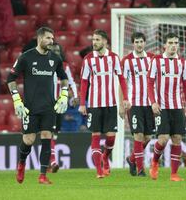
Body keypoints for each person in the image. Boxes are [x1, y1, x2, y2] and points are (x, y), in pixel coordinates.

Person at [7, 27, 68, 185]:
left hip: (49, 107)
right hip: (30, 108)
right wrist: (16, 100)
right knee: (29, 139)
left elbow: (64, 78)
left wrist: (64, 95)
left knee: (47, 137)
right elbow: (10, 78)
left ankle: (42, 175)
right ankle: (21, 163)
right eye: (48, 38)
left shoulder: (55, 58)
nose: (51, 41)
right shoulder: (26, 57)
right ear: (40, 38)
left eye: (52, 38)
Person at [79, 29, 131, 178]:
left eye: (97, 40)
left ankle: (105, 157)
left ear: (105, 42)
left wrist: (125, 98)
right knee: (95, 136)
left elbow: (121, 78)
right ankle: (99, 171)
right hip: (94, 105)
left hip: (110, 104)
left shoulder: (114, 58)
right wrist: (83, 103)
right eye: (93, 39)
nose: (94, 42)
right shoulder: (88, 59)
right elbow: (84, 82)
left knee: (110, 138)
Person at [147, 32, 186, 182]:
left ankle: (174, 174)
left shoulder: (183, 63)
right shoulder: (157, 61)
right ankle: (154, 162)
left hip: (177, 107)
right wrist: (153, 102)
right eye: (171, 43)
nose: (174, 46)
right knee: (163, 139)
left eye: (176, 43)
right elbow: (150, 83)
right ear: (164, 45)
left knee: (177, 138)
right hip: (162, 107)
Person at [122, 32, 155, 176]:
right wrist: (122, 102)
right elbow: (122, 82)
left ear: (145, 43)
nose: (139, 44)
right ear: (132, 44)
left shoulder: (153, 59)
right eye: (136, 42)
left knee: (148, 138)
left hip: (149, 104)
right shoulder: (127, 61)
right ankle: (141, 169)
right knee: (138, 136)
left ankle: (132, 159)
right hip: (134, 103)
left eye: (141, 41)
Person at [48, 42, 78, 173]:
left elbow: (71, 81)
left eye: (57, 50)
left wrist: (75, 96)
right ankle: (52, 161)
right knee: (48, 132)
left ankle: (50, 162)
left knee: (54, 133)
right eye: (53, 50)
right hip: (47, 103)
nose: (55, 52)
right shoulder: (43, 64)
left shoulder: (64, 67)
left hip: (59, 104)